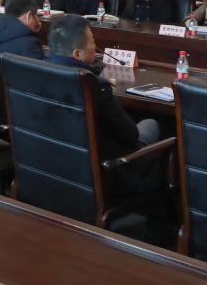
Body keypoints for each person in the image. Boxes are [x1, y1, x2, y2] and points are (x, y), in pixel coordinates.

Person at [47, 15, 162, 194]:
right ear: (77, 54)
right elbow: (130, 135)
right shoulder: (95, 86)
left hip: (53, 163)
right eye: (93, 42)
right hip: (103, 169)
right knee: (151, 124)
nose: (95, 47)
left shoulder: (38, 72)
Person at [0, 0, 44, 126]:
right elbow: (41, 82)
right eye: (36, 16)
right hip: (14, 117)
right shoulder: (29, 43)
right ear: (29, 16)